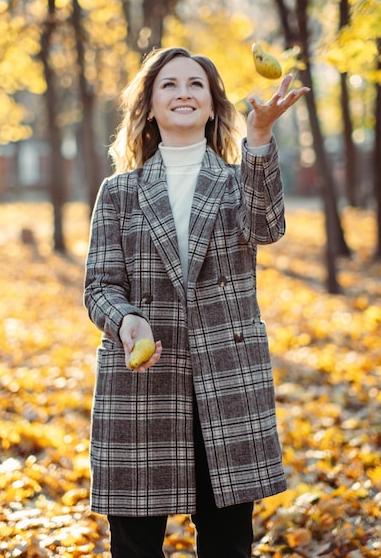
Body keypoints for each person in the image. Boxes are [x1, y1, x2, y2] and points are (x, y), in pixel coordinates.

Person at [84, 46, 310, 558]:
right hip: (141, 386)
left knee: (227, 544)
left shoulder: (237, 181)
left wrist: (260, 137)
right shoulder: (118, 193)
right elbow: (99, 286)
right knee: (135, 547)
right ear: (148, 107)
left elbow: (267, 226)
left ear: (212, 107)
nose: (182, 92)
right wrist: (126, 322)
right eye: (168, 84)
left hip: (227, 383)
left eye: (195, 85)